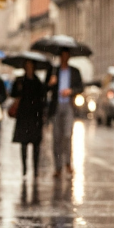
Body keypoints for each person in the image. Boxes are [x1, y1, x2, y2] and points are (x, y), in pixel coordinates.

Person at [47, 49, 84, 177]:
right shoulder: (53, 71)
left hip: (69, 105)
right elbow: (46, 88)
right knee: (57, 137)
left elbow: (81, 87)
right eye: (62, 56)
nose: (64, 58)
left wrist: (71, 91)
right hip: (56, 106)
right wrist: (51, 83)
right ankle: (58, 166)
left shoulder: (74, 71)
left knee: (67, 135)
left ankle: (68, 162)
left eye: (66, 56)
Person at [10, 59, 47, 178]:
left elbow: (43, 97)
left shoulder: (38, 82)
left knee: (36, 144)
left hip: (35, 116)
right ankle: (24, 168)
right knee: (24, 143)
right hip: (23, 115)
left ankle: (35, 169)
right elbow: (13, 94)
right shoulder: (20, 80)